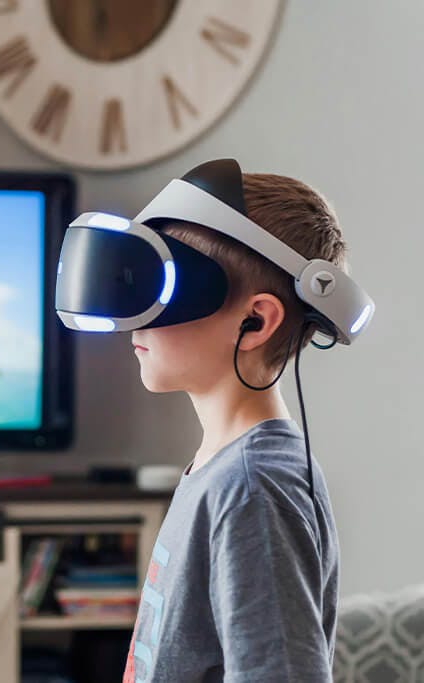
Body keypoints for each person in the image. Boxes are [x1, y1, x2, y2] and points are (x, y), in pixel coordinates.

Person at [122, 170, 342, 682]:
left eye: (164, 289)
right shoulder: (223, 467)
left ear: (256, 322)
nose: (136, 318)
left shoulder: (251, 487)